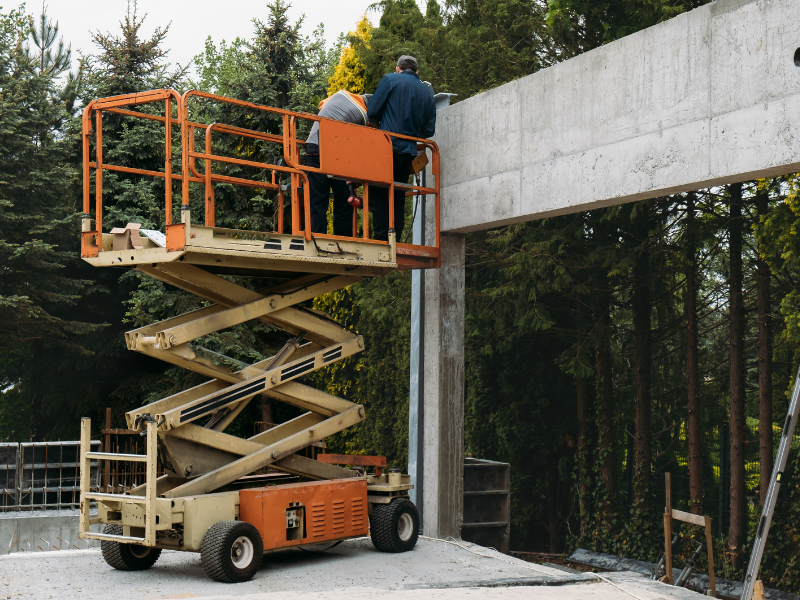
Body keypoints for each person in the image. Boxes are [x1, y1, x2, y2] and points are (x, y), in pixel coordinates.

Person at [366, 55, 436, 242]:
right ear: (416, 71)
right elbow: (429, 130)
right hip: (408, 153)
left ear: (398, 68)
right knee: (398, 195)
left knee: (379, 191)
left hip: (386, 148)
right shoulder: (427, 92)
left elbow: (372, 112)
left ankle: (381, 238)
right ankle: (394, 240)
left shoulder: (391, 79)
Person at [305, 90, 371, 237]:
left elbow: (321, 106)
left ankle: (316, 238)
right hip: (335, 153)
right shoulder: (363, 113)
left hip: (314, 147)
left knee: (317, 200)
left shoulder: (340, 95)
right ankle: (342, 241)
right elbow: (364, 144)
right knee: (343, 202)